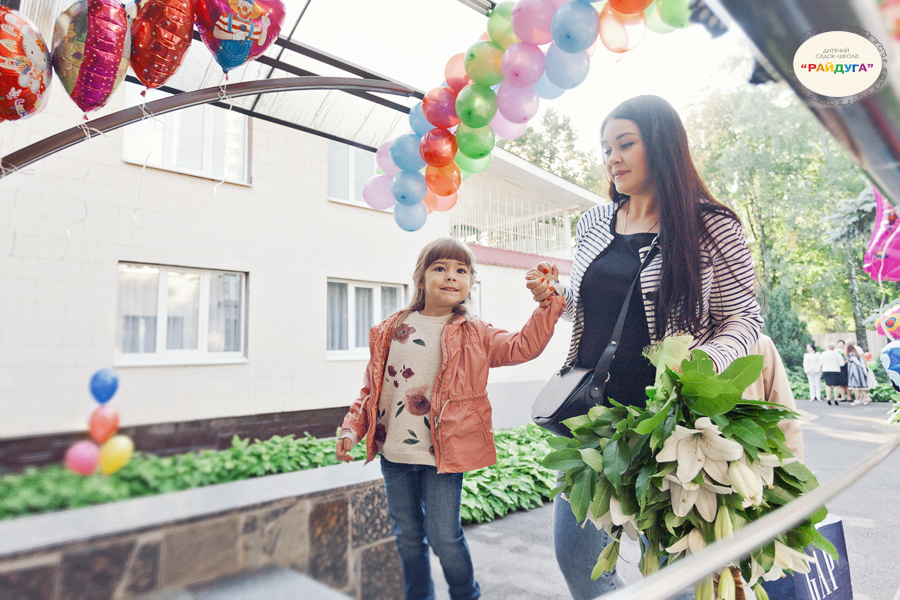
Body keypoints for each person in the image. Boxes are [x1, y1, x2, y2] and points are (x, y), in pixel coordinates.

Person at [526, 95, 762, 599]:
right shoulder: (593, 224)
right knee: (575, 558)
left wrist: (698, 365)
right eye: (606, 147)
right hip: (590, 422)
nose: (612, 157)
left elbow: (744, 319)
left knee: (675, 574)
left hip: (669, 427)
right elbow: (598, 311)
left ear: (662, 145)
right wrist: (557, 296)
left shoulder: (711, 225)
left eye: (625, 144)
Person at [336, 237, 565, 600]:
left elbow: (523, 346)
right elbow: (372, 391)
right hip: (394, 455)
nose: (450, 276)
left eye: (461, 270)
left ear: (471, 282)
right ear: (421, 277)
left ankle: (465, 595)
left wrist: (547, 302)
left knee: (445, 536)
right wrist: (352, 427)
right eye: (440, 267)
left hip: (443, 456)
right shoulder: (388, 331)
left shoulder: (475, 332)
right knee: (407, 537)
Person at [744, 334, 805, 461]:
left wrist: (793, 469)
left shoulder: (758, 342)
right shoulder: (691, 343)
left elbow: (783, 412)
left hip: (748, 460)